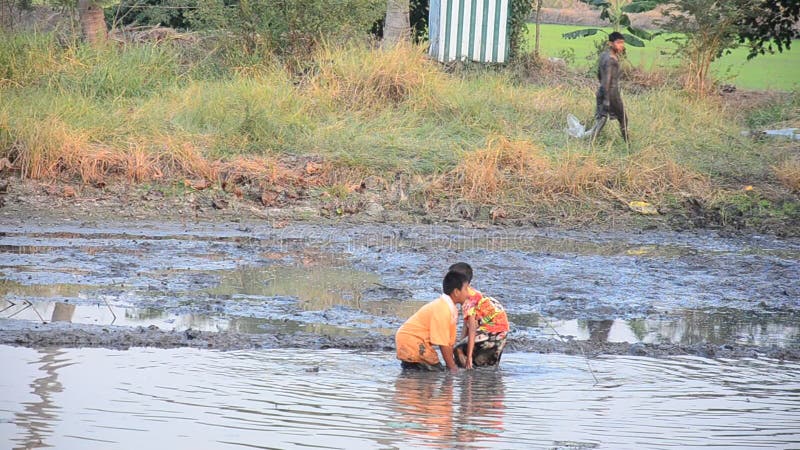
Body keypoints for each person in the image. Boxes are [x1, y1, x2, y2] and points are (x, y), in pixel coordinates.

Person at [395, 270, 471, 372]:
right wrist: (453, 368)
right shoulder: (443, 310)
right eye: (466, 289)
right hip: (411, 341)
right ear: (456, 292)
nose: (469, 293)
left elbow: (448, 343)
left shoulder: (448, 308)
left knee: (433, 369)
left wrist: (452, 364)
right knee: (436, 372)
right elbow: (443, 345)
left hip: (411, 340)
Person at [449, 262, 510, 369]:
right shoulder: (472, 293)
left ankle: (467, 377)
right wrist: (463, 343)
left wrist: (466, 356)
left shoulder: (468, 298)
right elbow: (467, 324)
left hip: (492, 330)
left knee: (457, 350)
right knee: (489, 367)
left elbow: (472, 327)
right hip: (502, 330)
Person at [587, 31, 629, 143]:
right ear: (610, 43)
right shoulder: (612, 60)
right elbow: (607, 81)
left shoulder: (603, 55)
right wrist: (607, 100)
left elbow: (599, 75)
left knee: (602, 119)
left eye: (622, 43)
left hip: (602, 91)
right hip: (611, 94)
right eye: (618, 43)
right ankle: (628, 145)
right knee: (623, 119)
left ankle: (591, 143)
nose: (621, 45)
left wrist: (603, 93)